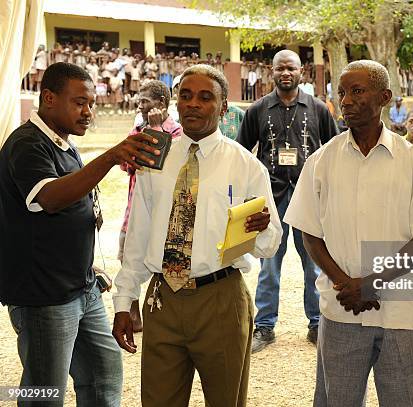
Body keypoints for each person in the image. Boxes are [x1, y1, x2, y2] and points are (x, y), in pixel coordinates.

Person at [284, 60, 413, 406]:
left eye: (357, 91)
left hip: (400, 312)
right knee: (339, 399)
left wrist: (370, 283)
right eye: (341, 92)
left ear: (385, 97)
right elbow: (310, 234)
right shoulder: (322, 161)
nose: (346, 101)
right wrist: (345, 284)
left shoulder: (412, 161)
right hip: (341, 308)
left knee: (405, 399)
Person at [111, 64, 281, 407]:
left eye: (205, 97)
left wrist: (261, 227)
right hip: (163, 300)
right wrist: (124, 299)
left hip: (220, 299)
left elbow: (269, 243)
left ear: (223, 107)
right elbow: (138, 236)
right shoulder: (154, 159)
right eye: (185, 96)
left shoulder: (246, 165)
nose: (193, 104)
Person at [0, 62, 160, 406]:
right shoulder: (27, 144)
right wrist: (111, 157)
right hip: (44, 296)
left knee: (105, 374)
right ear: (49, 99)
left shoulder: (62, 143)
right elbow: (51, 198)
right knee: (44, 392)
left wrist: (87, 267)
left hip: (80, 287)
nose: (88, 112)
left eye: (91, 103)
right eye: (79, 103)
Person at [237, 49, 338, 352]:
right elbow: (243, 152)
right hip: (272, 197)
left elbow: (334, 151)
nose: (285, 73)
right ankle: (265, 327)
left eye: (291, 69)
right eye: (280, 68)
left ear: (301, 72)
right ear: (272, 72)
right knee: (269, 265)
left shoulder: (318, 109)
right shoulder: (258, 109)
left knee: (314, 264)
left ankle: (317, 324)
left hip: (309, 197)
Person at [119, 80, 183, 332]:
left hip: (162, 214)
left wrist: (156, 131)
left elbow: (165, 164)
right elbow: (126, 162)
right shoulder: (138, 128)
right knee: (128, 256)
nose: (140, 105)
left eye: (145, 100)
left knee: (165, 261)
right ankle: (133, 311)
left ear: (162, 104)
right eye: (139, 100)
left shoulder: (177, 133)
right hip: (133, 208)